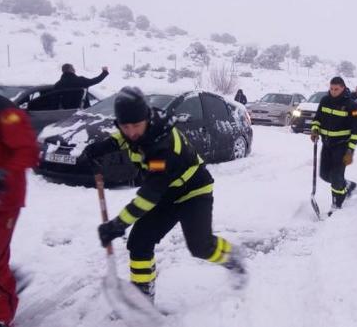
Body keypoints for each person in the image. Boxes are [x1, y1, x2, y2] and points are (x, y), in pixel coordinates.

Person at [82, 87, 247, 302]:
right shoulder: (141, 127)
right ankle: (142, 296)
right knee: (139, 242)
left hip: (193, 191)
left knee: (200, 246)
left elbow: (149, 196)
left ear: (147, 120)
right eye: (125, 126)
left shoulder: (163, 147)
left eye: (136, 126)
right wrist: (101, 148)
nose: (131, 131)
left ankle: (231, 257)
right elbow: (126, 139)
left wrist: (118, 224)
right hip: (166, 193)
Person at [0, 63, 39, 327]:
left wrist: (1, 176)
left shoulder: (4, 112)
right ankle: (7, 276)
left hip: (1, 201)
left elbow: (28, 150)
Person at [310, 77, 357, 212]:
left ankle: (336, 205)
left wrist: (350, 150)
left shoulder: (351, 106)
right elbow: (317, 119)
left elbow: (356, 130)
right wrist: (315, 130)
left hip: (342, 146)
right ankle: (347, 186)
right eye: (331, 89)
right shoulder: (325, 101)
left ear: (343, 88)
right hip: (326, 144)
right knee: (324, 175)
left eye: (336, 89)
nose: (333, 92)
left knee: (336, 177)